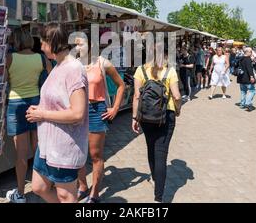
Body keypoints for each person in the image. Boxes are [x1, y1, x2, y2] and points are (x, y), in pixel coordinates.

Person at [28, 23, 89, 203]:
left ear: (52, 42)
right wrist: (39, 110)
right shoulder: (57, 66)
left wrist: (42, 114)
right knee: (38, 187)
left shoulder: (74, 69)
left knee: (66, 195)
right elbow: (56, 102)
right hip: (48, 145)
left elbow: (77, 113)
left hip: (65, 146)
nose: (40, 47)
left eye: (43, 42)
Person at [75, 35, 125, 203]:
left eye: (80, 44)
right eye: (75, 45)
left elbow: (121, 85)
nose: (77, 48)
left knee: (95, 154)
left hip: (97, 111)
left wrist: (115, 108)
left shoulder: (102, 63)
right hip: (77, 110)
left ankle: (95, 194)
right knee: (78, 153)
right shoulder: (73, 64)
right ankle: (82, 186)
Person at [5, 28, 52, 203]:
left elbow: (2, 79)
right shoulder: (41, 58)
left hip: (16, 105)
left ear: (16, 41)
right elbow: (50, 78)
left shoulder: (10, 58)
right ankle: (46, 185)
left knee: (21, 155)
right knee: (39, 149)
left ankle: (20, 193)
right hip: (36, 103)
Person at [132, 41, 181, 203]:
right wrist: (178, 110)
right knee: (161, 153)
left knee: (150, 147)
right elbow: (177, 96)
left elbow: (137, 96)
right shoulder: (170, 71)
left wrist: (134, 117)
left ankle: (154, 178)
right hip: (166, 116)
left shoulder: (140, 70)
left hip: (146, 116)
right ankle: (158, 198)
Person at [235, 47, 256, 112]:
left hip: (241, 77)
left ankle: (242, 104)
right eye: (251, 51)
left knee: (243, 91)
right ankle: (247, 103)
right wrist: (252, 77)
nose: (251, 53)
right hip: (247, 78)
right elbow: (249, 68)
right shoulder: (248, 59)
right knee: (252, 90)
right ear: (247, 52)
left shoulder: (240, 58)